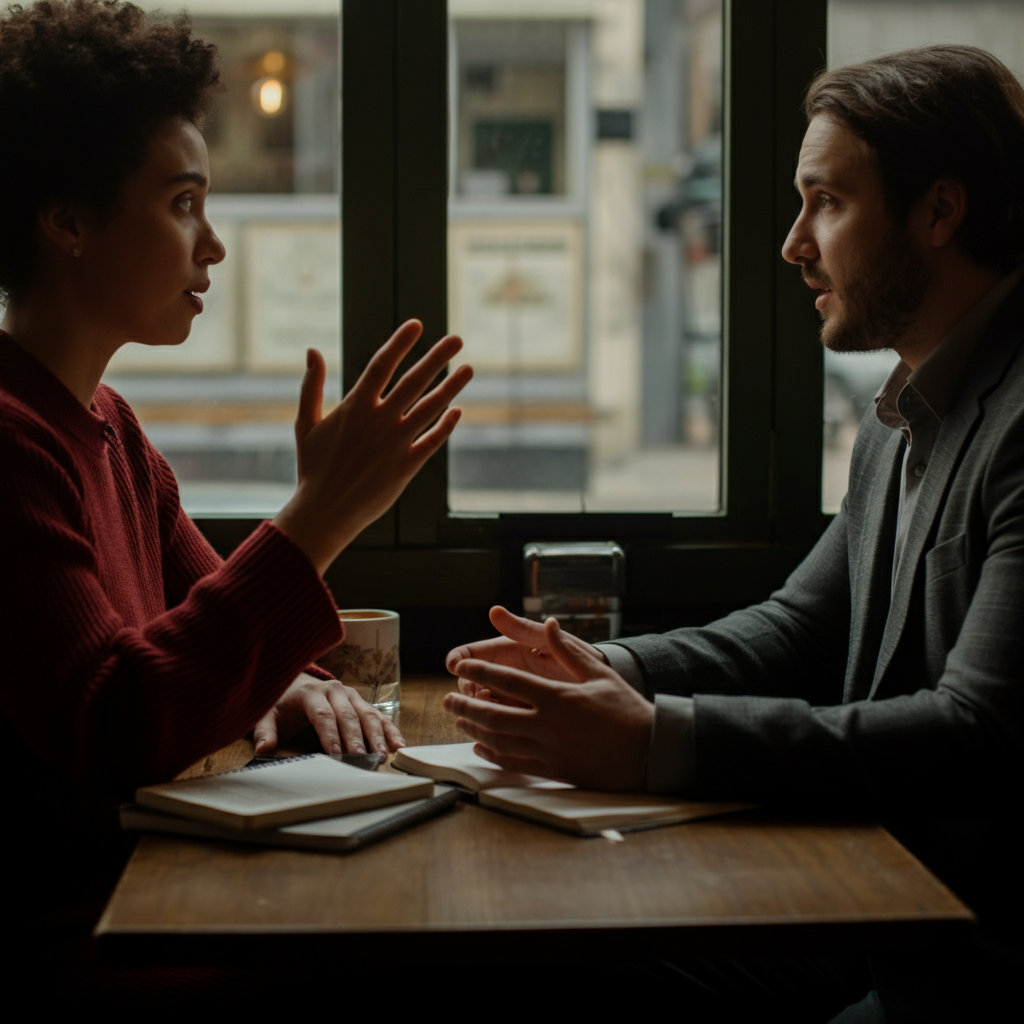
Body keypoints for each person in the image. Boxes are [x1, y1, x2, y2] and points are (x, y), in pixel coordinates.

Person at [445, 45, 1024, 1022]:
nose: (794, 243)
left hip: (975, 959)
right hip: (885, 912)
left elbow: (977, 735)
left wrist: (653, 743)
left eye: (826, 203)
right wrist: (600, 669)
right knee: (543, 966)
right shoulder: (908, 407)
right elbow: (799, 625)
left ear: (938, 212)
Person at [0, 0, 471, 949]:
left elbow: (208, 623)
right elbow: (118, 719)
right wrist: (322, 514)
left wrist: (277, 683)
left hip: (146, 896)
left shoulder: (111, 429)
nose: (212, 243)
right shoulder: (10, 444)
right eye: (182, 204)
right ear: (67, 221)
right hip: (77, 937)